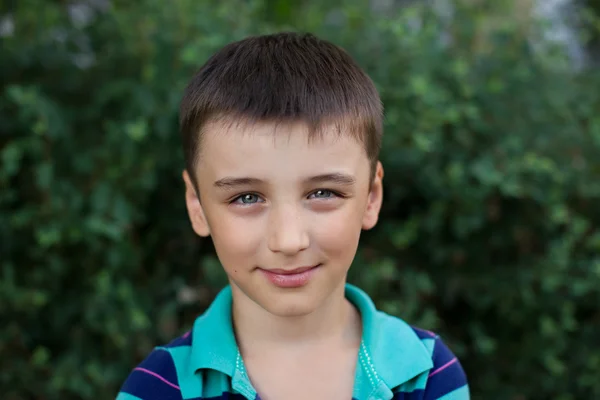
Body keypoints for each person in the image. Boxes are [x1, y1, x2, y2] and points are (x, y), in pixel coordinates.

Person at [116, 32, 469, 400]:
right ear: (197, 205)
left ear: (371, 197)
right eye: (246, 197)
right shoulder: (156, 388)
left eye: (323, 193)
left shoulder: (428, 374)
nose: (288, 240)